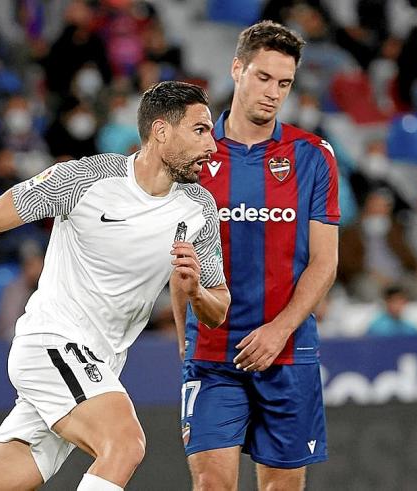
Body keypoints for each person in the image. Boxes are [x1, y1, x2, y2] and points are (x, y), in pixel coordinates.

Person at [0, 80, 230, 491]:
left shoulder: (199, 208)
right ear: (161, 131)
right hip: (52, 342)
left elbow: (219, 308)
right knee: (125, 443)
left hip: (99, 365)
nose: (213, 147)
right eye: (200, 130)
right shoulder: (83, 180)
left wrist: (196, 290)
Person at [172, 21, 339, 491]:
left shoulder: (313, 156)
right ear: (237, 68)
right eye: (263, 77)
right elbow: (179, 260)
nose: (273, 92)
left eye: (284, 83)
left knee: (281, 487)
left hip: (287, 352)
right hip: (212, 354)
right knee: (211, 484)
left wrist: (279, 330)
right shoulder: (196, 155)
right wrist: (185, 342)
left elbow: (324, 263)